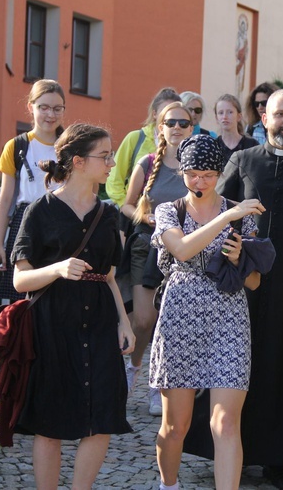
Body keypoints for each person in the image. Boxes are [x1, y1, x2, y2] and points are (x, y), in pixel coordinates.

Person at [183, 88, 283, 488]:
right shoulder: (243, 159)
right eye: (279, 115)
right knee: (237, 367)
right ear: (265, 119)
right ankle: (225, 447)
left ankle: (279, 460)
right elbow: (220, 213)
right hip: (244, 285)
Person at [11, 123, 136, 489]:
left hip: (99, 321)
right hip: (52, 325)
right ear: (79, 161)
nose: (112, 162)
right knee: (49, 423)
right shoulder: (40, 211)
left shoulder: (108, 214)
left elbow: (110, 275)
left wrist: (124, 323)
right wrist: (58, 268)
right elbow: (21, 281)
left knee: (102, 418)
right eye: (105, 155)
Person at [149, 135, 265, 490]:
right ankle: (169, 485)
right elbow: (182, 250)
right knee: (175, 426)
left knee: (226, 422)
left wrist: (237, 259)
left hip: (228, 315)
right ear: (181, 172)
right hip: (180, 313)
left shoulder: (240, 215)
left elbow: (256, 282)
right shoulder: (170, 210)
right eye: (192, 174)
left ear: (219, 172)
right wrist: (229, 215)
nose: (200, 182)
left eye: (208, 175)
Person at [119, 102, 193, 415]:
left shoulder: (194, 165)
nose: (177, 127)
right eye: (170, 122)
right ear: (159, 127)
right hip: (146, 247)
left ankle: (156, 384)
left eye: (183, 123)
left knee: (170, 322)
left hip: (182, 251)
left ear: (192, 128)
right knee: (144, 320)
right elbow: (126, 205)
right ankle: (132, 369)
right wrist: (146, 217)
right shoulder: (148, 162)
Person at [0, 79, 66, 304]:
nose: (50, 115)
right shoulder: (16, 146)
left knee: (57, 298)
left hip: (63, 225)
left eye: (56, 108)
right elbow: (5, 200)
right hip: (24, 225)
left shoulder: (70, 146)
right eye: (43, 107)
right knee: (18, 300)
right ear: (31, 107)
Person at [106, 88, 181, 211]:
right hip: (138, 215)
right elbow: (114, 177)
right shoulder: (136, 138)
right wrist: (127, 206)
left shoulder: (188, 146)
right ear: (155, 114)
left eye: (174, 114)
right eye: (165, 112)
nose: (170, 118)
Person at [214, 94, 259, 164]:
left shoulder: (251, 145)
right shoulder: (213, 146)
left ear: (239, 116)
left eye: (230, 112)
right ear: (216, 118)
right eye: (221, 113)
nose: (225, 117)